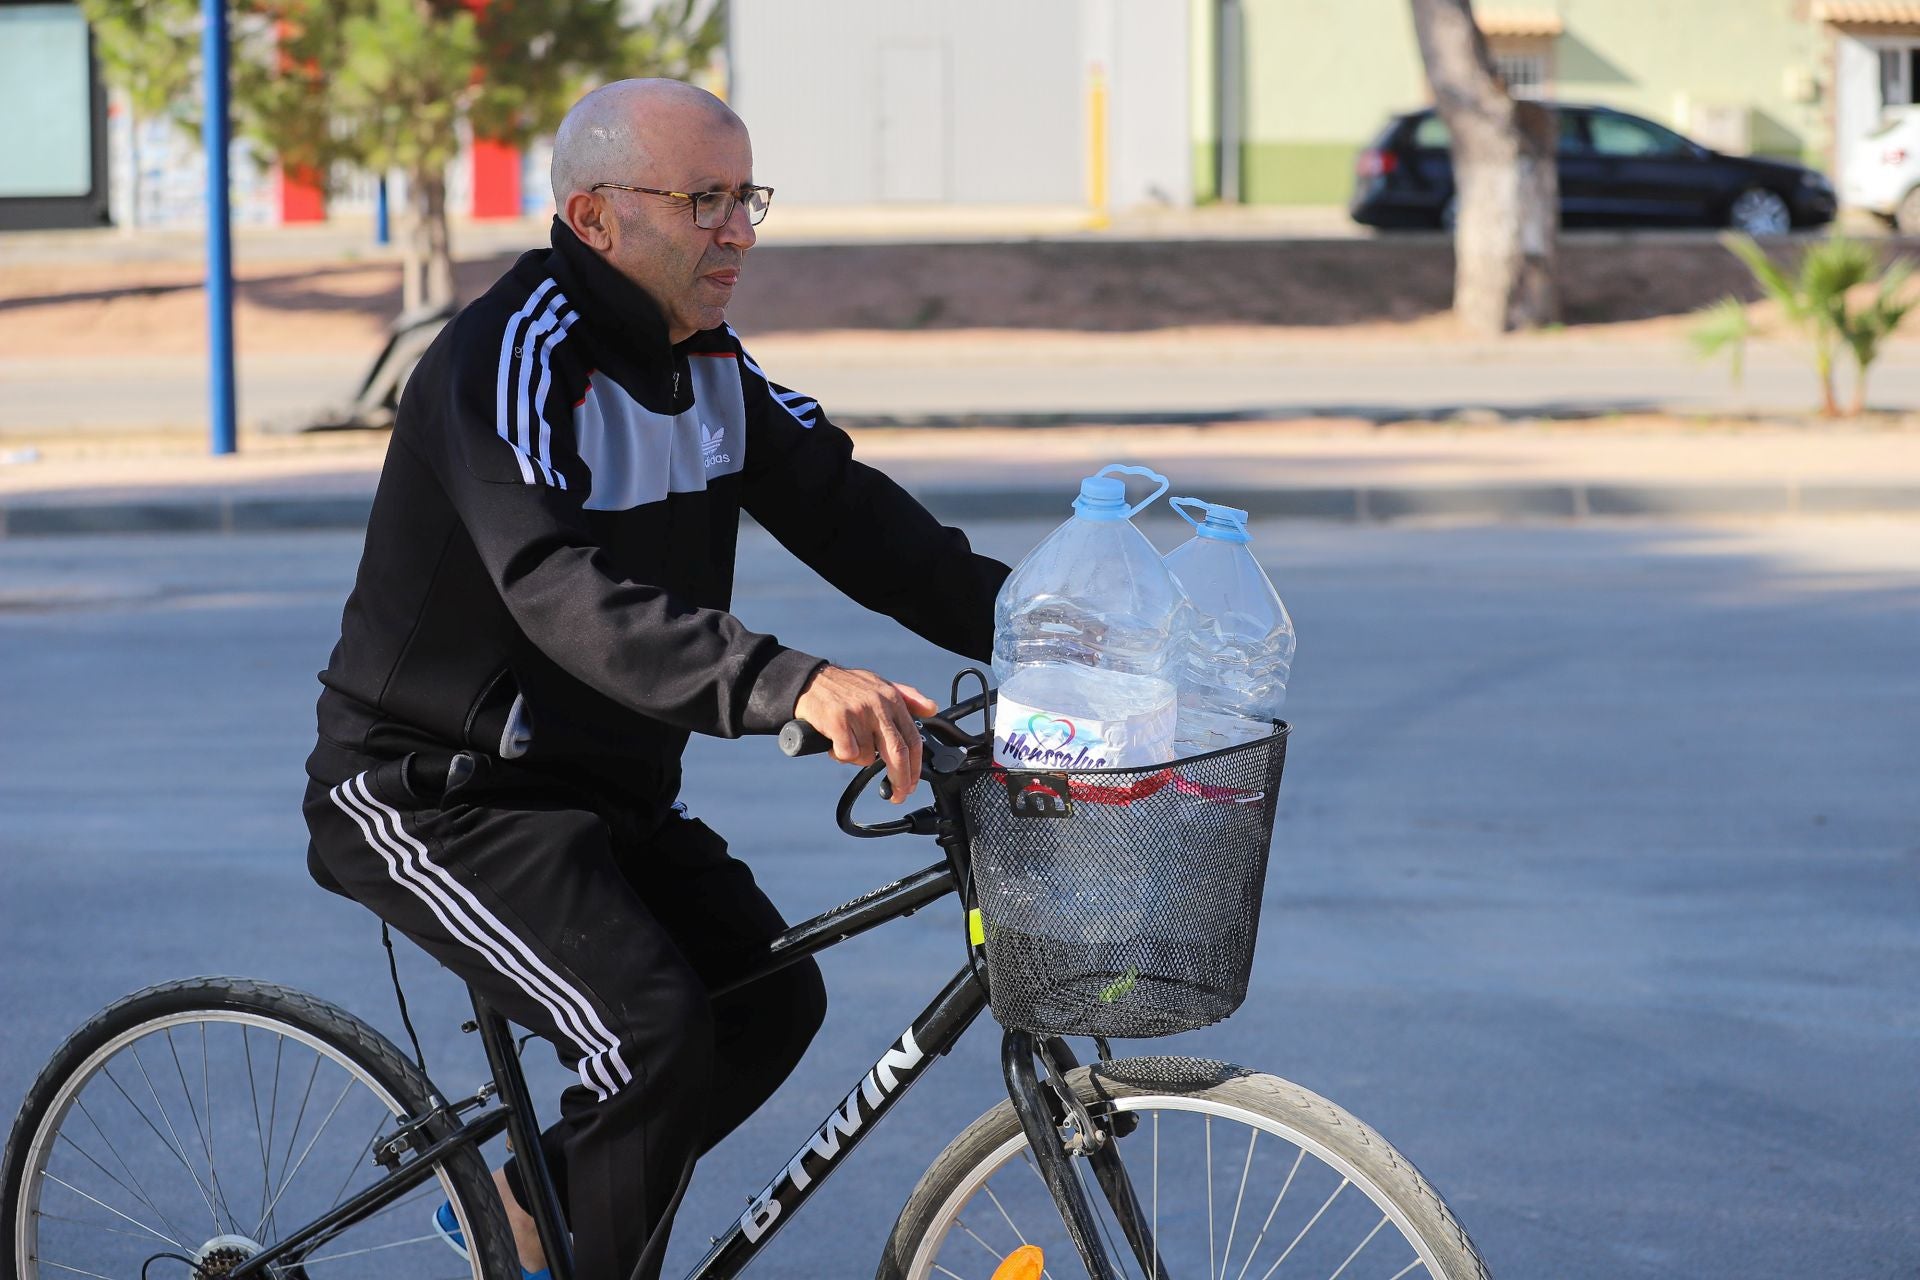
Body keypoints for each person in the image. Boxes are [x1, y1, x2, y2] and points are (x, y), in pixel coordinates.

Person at [300, 78, 1008, 1280]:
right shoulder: (505, 359)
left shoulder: (710, 365)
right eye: (703, 198)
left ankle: (536, 1203)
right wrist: (790, 682)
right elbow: (554, 585)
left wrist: (1044, 625)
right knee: (652, 1036)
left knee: (770, 1002)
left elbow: (855, 519)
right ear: (594, 217)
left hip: (606, 791)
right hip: (438, 792)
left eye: (747, 198)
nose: (737, 229)